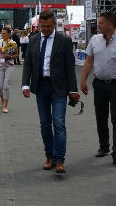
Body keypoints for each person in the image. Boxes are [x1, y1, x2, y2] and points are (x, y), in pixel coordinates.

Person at [22, 11, 79, 174]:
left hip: (59, 88)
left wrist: (73, 89)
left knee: (59, 123)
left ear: (54, 25)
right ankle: (50, 157)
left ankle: (60, 160)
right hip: (41, 87)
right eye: (43, 26)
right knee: (45, 125)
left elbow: (70, 67)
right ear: (39, 25)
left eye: (48, 26)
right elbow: (28, 65)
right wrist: (25, 85)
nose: (45, 30)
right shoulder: (33, 40)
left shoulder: (64, 41)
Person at [79, 12, 116, 169]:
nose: (98, 25)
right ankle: (104, 146)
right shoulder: (95, 40)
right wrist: (83, 80)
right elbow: (89, 61)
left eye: (101, 23)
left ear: (111, 24)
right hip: (99, 84)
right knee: (101, 117)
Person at [0, 27, 18, 113]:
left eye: (4, 33)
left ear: (9, 34)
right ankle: (2, 98)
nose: (2, 35)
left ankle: (6, 105)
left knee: (6, 86)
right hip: (0, 65)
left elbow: (17, 55)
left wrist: (9, 56)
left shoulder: (13, 43)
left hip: (9, 65)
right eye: (2, 33)